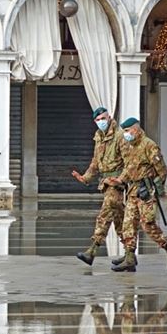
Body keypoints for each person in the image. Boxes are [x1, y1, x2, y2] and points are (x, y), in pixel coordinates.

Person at [107, 118, 167, 272]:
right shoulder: (130, 147)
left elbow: (162, 171)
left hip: (146, 191)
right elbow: (129, 169)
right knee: (128, 224)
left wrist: (153, 190)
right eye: (124, 132)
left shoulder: (149, 145)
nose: (126, 135)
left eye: (127, 131)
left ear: (136, 129)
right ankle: (129, 258)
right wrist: (119, 179)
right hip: (133, 191)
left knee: (147, 225)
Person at [71, 107, 127, 266]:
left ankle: (92, 251)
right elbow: (96, 161)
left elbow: (130, 161)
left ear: (109, 117)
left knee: (104, 215)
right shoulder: (99, 137)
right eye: (97, 120)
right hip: (106, 182)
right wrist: (85, 177)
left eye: (103, 118)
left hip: (116, 184)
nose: (100, 122)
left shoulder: (120, 136)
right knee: (119, 220)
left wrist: (122, 179)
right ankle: (130, 255)